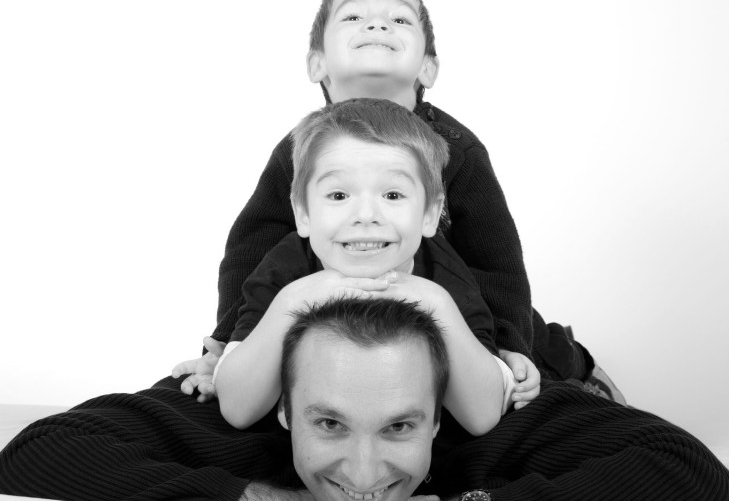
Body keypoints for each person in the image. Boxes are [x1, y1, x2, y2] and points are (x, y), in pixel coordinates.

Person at [172, 0, 620, 405]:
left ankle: (575, 362)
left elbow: (496, 260)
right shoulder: (301, 152)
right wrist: (228, 343)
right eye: (353, 15)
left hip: (460, 299)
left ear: (428, 68)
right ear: (316, 62)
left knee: (533, 352)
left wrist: (508, 345)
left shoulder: (457, 151)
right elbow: (253, 248)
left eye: (400, 19)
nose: (376, 23)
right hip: (343, 295)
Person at [0, 297, 729, 501]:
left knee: (543, 356)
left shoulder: (487, 417)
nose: (367, 473)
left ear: (438, 416)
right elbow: (34, 456)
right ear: (284, 409)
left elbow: (690, 468)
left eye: (401, 425)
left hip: (514, 349)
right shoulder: (239, 413)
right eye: (330, 424)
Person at [213, 98, 523, 436]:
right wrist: (291, 304)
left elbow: (482, 417)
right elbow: (238, 409)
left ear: (429, 214)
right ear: (302, 212)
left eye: (392, 196)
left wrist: (438, 306)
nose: (365, 215)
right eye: (338, 196)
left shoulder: (444, 280)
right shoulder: (285, 271)